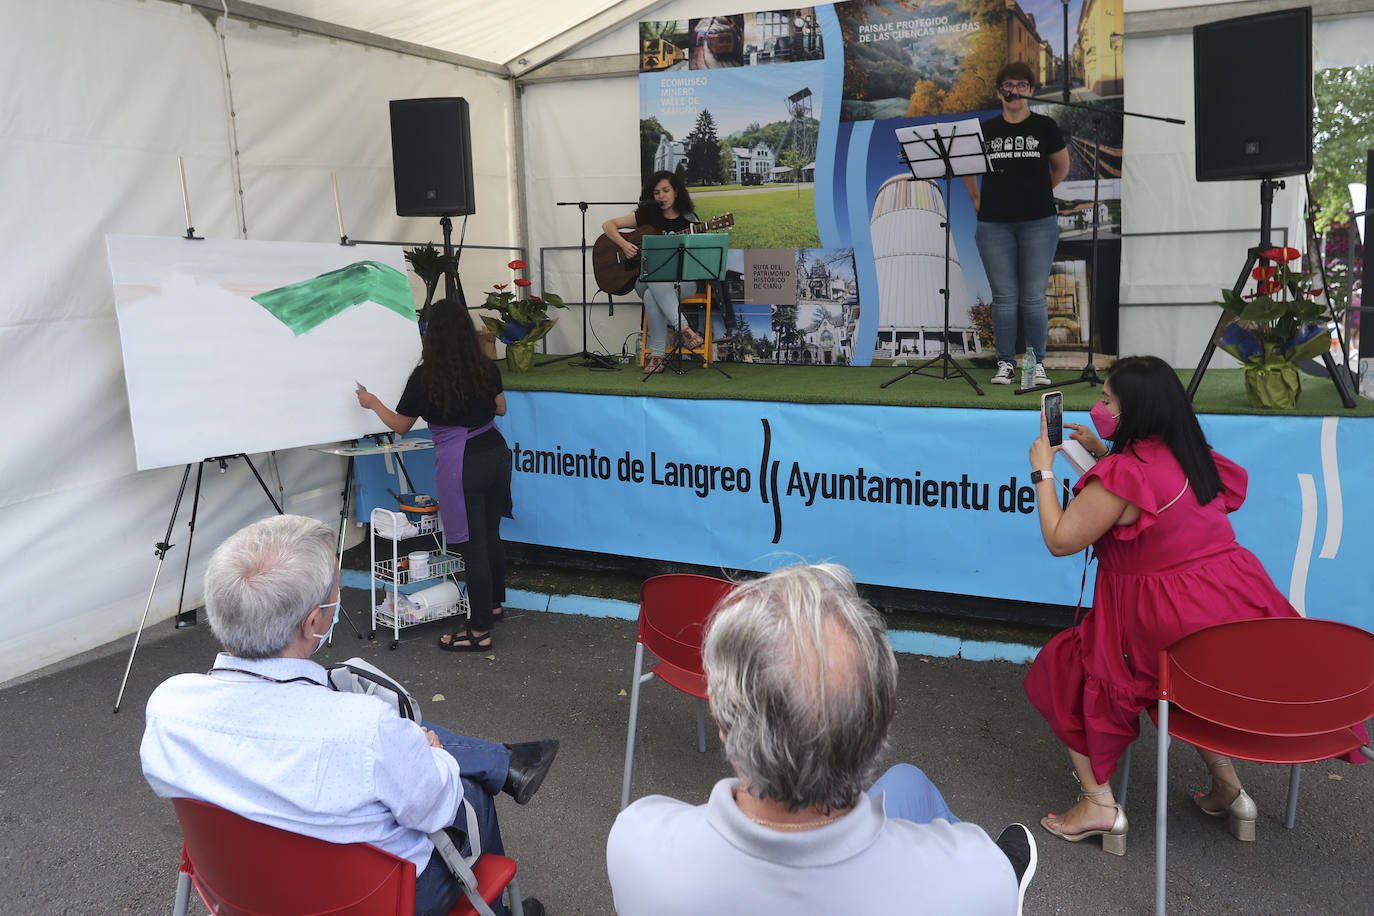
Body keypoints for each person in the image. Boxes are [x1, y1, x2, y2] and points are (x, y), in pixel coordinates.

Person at [140, 515, 558, 916]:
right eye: (335, 592)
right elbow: (435, 807)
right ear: (313, 622)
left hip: (239, 892)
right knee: (470, 794)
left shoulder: (169, 707)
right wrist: (432, 757)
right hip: (372, 901)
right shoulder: (363, 726)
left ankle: (503, 763)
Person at [1022, 355, 1356, 854]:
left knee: (1065, 665)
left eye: (1109, 400)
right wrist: (1104, 452)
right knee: (1198, 677)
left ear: (1137, 410)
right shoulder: (1194, 455)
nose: (1099, 407)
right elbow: (1153, 496)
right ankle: (1230, 789)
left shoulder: (1123, 474)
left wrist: (1043, 472)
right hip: (1234, 605)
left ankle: (1098, 803)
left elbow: (1061, 537)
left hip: (1157, 614)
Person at [607, 563, 1035, 915]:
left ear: (721, 718)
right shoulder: (980, 872)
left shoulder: (637, 842)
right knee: (908, 784)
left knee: (908, 783)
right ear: (881, 726)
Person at [357, 299, 511, 652]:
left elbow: (400, 426)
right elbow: (501, 407)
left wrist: (372, 402)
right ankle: (494, 605)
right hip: (495, 452)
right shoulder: (485, 367)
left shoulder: (426, 376)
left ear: (431, 336)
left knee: (472, 546)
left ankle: (480, 631)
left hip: (463, 462)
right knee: (490, 535)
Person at [962, 61, 1069, 387]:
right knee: (1005, 297)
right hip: (994, 225)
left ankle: (1035, 365)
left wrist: (1038, 192)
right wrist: (977, 201)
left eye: (1023, 85)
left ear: (1031, 91)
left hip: (1038, 222)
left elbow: (1061, 167)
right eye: (1010, 85)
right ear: (999, 91)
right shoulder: (986, 129)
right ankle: (1006, 363)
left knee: (1034, 297)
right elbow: (967, 166)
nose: (1016, 91)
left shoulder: (1045, 126)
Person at [601, 171, 706, 374]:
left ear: (676, 191)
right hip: (644, 279)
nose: (661, 196)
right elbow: (608, 225)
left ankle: (657, 356)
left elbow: (699, 261)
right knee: (654, 278)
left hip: (683, 284)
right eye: (656, 192)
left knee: (652, 291)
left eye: (666, 190)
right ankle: (684, 329)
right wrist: (624, 245)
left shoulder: (690, 221)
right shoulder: (646, 216)